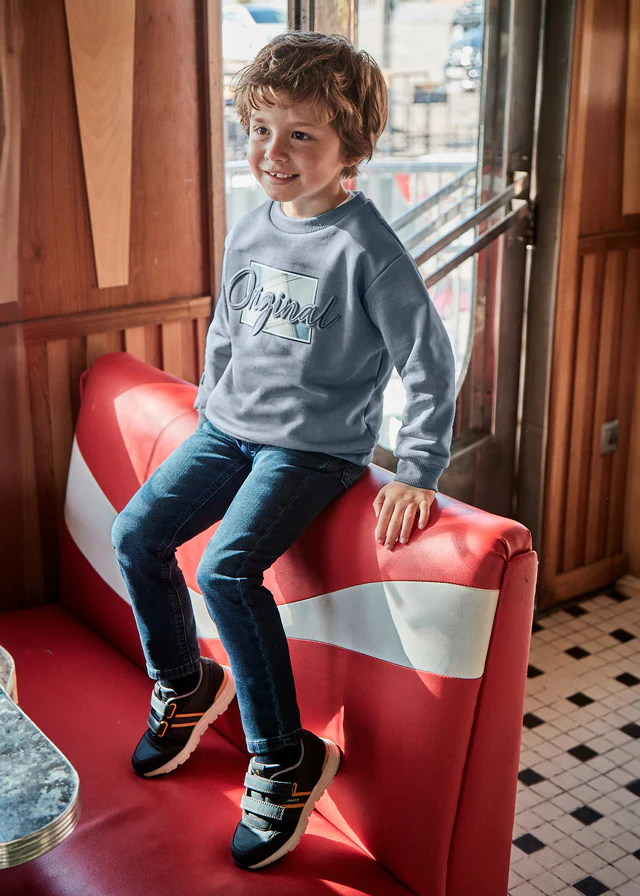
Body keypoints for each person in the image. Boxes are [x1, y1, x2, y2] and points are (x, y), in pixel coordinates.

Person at [110, 30, 456, 872]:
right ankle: (186, 684)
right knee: (136, 535)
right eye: (261, 130)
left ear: (352, 149)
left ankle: (283, 756)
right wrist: (210, 406)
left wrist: (417, 468)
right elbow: (227, 331)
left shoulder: (367, 247)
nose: (273, 152)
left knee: (226, 570)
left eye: (300, 134)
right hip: (228, 432)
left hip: (311, 450)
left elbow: (429, 361)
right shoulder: (251, 226)